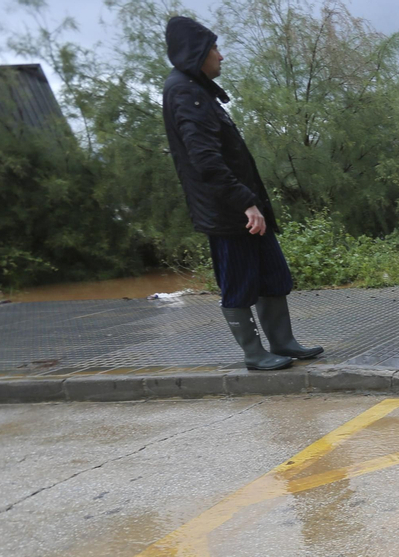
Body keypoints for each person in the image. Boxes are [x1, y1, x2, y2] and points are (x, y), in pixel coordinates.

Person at [162, 16, 322, 371]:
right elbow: (205, 161)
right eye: (214, 48)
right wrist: (245, 202)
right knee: (238, 283)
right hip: (228, 213)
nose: (221, 56)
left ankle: (283, 342)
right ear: (198, 52)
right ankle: (254, 353)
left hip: (243, 207)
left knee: (273, 276)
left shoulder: (197, 90)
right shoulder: (185, 92)